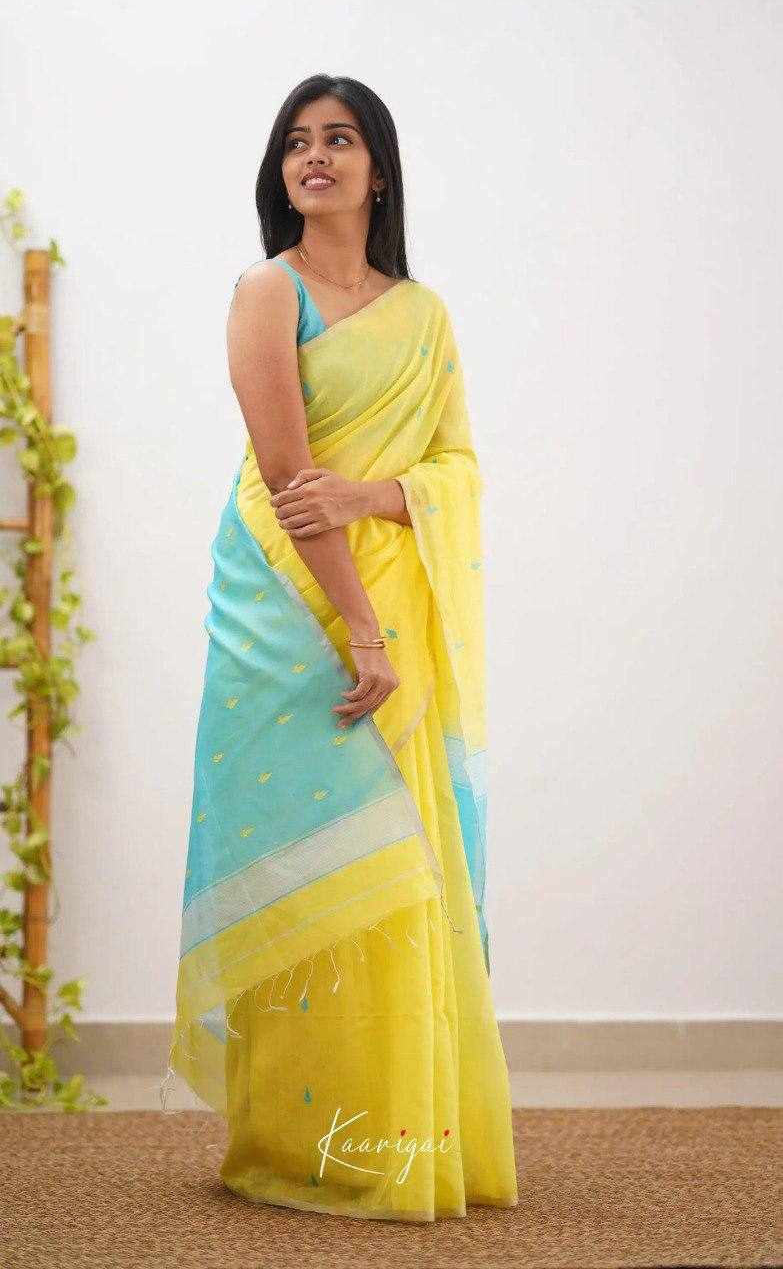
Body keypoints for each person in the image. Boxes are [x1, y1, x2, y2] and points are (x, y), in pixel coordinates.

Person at [160, 73, 518, 1223]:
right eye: (298, 143)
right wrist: (360, 624)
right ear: (282, 172)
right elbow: (285, 474)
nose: (315, 156)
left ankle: (399, 1134)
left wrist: (374, 495)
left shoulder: (424, 316)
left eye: (340, 139)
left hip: (394, 602)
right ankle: (296, 1136)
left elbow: (458, 471)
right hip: (284, 608)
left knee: (402, 874)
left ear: (379, 170)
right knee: (303, 851)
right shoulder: (267, 291)